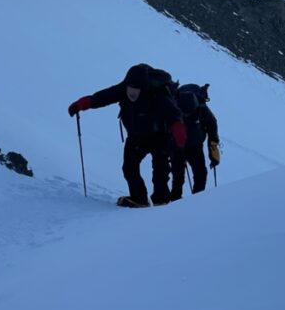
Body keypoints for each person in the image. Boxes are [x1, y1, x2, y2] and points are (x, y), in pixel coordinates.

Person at [68, 63, 187, 208]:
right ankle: (139, 199)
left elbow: (175, 115)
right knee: (129, 168)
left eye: (136, 89)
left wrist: (179, 136)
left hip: (160, 136)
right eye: (130, 88)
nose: (132, 92)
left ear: (143, 87)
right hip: (136, 136)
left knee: (160, 171)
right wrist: (82, 104)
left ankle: (161, 200)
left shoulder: (158, 95)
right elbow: (102, 97)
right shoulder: (123, 89)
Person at [169, 83, 220, 200]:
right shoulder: (176, 108)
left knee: (185, 175)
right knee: (192, 175)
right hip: (185, 145)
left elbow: (212, 126)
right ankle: (194, 201)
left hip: (188, 145)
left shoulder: (202, 110)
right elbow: (212, 126)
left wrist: (213, 147)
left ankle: (185, 202)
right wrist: (213, 149)